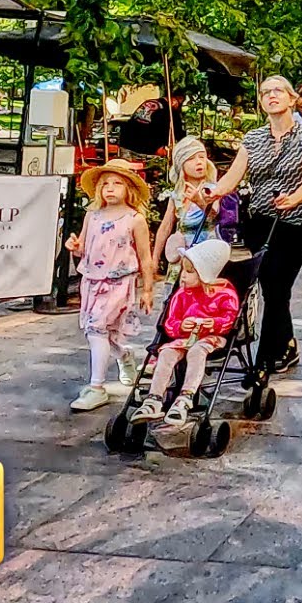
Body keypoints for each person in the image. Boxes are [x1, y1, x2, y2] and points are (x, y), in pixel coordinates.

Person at [208, 75, 302, 374]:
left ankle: (265, 357)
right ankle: (286, 344)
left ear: (291, 99)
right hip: (260, 221)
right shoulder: (252, 139)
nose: (271, 96)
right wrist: (214, 191)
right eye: (265, 92)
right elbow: (234, 176)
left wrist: (293, 198)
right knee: (269, 287)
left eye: (277, 91)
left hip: (294, 223)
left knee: (277, 285)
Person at [64, 159, 156, 411]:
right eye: (106, 184)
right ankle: (124, 356)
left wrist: (147, 289)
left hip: (118, 283)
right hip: (92, 282)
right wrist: (74, 246)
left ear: (129, 189)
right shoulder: (92, 216)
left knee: (97, 329)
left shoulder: (134, 219)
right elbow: (83, 247)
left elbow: (145, 258)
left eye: (118, 183)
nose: (111, 188)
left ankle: (96, 387)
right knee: (100, 332)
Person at [129, 239, 240, 427]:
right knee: (166, 352)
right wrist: (181, 326)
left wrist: (211, 323)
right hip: (183, 338)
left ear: (205, 275)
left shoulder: (225, 295)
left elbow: (229, 321)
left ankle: (186, 397)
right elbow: (170, 323)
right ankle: (154, 399)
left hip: (211, 338)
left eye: (189, 272)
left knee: (197, 351)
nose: (183, 277)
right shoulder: (181, 295)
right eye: (182, 271)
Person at [152, 136, 219, 285]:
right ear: (181, 165)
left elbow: (214, 216)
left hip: (205, 253)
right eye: (191, 158)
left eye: (202, 157)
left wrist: (200, 202)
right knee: (176, 296)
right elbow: (165, 227)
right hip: (182, 255)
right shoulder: (177, 195)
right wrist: (155, 258)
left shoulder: (212, 190)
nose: (198, 162)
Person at [120, 93, 187, 156]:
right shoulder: (169, 111)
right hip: (147, 147)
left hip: (127, 143)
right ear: (174, 100)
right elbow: (174, 131)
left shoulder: (149, 102)